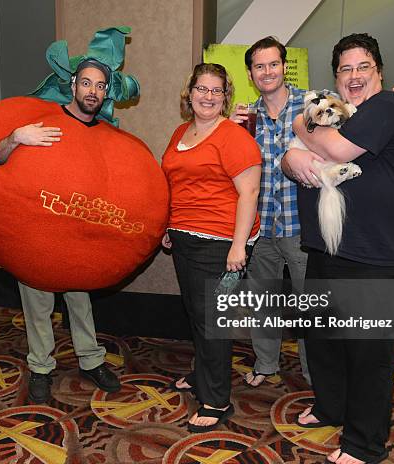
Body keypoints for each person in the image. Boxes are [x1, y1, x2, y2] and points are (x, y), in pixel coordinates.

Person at [230, 36, 394, 389]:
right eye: (259, 66)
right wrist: (229, 123)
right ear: (251, 73)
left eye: (273, 64)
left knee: (312, 310)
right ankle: (266, 363)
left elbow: (359, 109)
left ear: (285, 66)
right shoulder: (246, 116)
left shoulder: (313, 102)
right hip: (262, 223)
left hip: (304, 225)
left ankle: (315, 376)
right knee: (262, 303)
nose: (267, 71)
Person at [282, 33, 394, 464]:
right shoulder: (336, 112)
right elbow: (294, 159)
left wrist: (301, 126)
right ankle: (330, 406)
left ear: (379, 70)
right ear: (335, 76)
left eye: (363, 67)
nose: (354, 76)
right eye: (345, 69)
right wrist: (292, 160)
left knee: (367, 349)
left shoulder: (388, 106)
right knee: (323, 338)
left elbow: (335, 147)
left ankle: (363, 443)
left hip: (371, 251)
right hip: (325, 245)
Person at [0, 58, 121, 404]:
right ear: (73, 84)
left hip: (79, 236)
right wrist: (16, 137)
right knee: (36, 303)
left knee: (81, 302)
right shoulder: (43, 122)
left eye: (99, 86)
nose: (92, 91)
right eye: (86, 83)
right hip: (38, 235)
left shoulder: (106, 133)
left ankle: (91, 360)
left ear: (105, 93)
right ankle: (40, 367)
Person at [162, 63, 262, 432]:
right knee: (197, 315)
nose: (207, 96)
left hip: (221, 246)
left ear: (225, 97)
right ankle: (202, 374)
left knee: (213, 324)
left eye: (215, 91)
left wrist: (238, 249)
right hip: (185, 240)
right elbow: (175, 181)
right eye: (201, 89)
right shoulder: (180, 132)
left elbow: (249, 192)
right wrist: (170, 224)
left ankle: (217, 401)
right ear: (189, 93)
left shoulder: (233, 136)